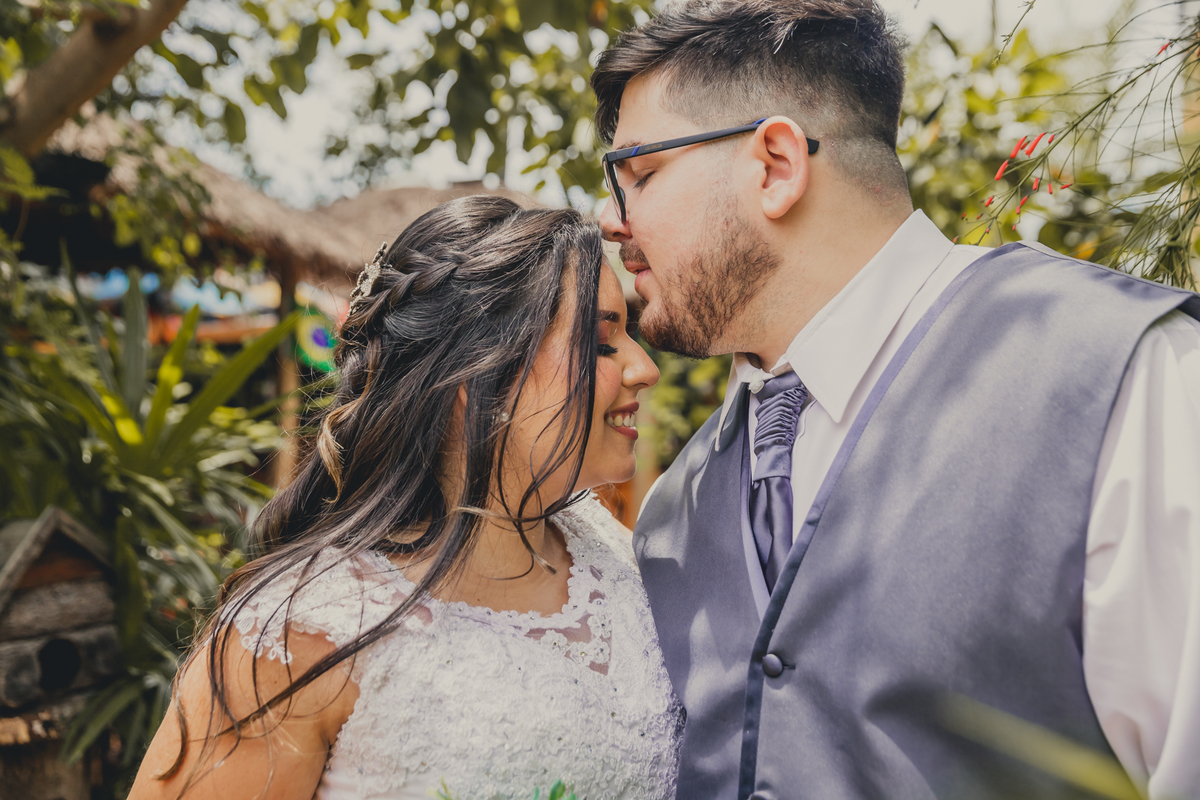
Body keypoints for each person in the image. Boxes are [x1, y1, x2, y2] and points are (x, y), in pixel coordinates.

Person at [591, 1, 1200, 798]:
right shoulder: (675, 507)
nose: (609, 219)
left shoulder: (1130, 380)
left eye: (637, 174)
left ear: (775, 164)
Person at [128, 196, 679, 800]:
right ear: (476, 371)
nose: (645, 369)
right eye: (601, 342)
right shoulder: (297, 637)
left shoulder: (621, 558)